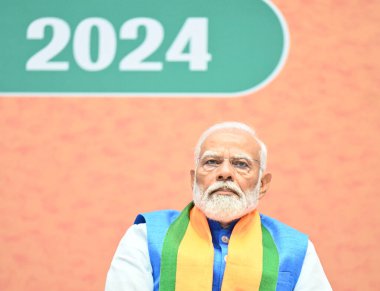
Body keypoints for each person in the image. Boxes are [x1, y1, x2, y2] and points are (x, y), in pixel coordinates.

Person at [105, 122, 332, 291]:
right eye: (212, 162)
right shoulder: (144, 237)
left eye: (241, 164)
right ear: (193, 179)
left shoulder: (296, 250)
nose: (225, 173)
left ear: (262, 185)